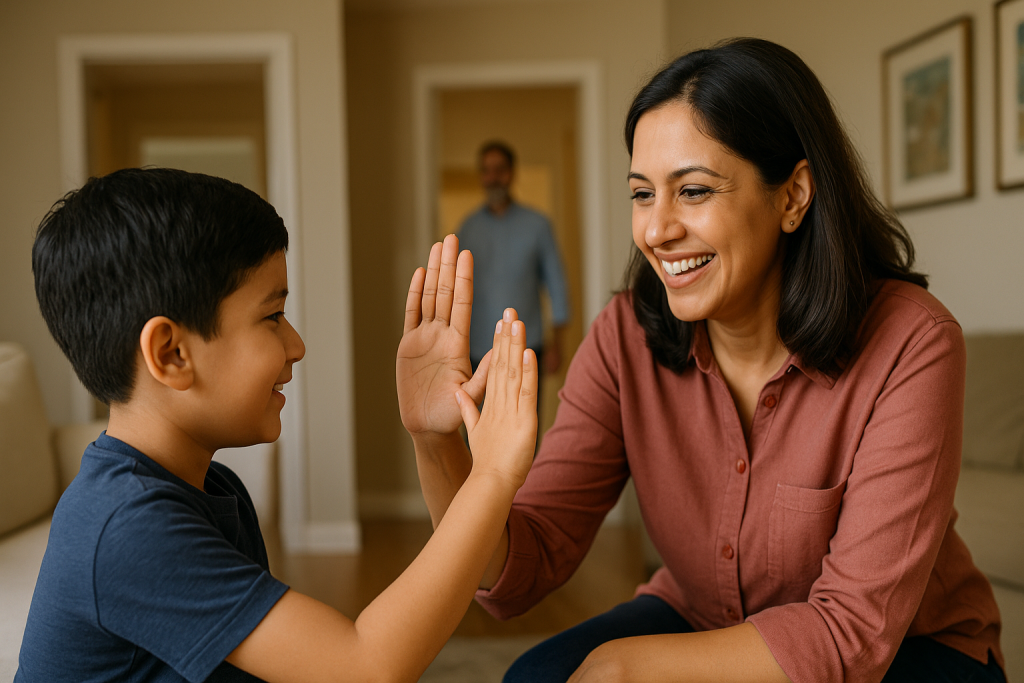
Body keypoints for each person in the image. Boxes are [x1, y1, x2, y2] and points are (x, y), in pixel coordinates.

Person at [395, 39, 1006, 683]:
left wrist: (624, 666)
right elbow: (518, 570)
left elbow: (851, 636)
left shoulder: (914, 341)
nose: (656, 230)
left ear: (793, 196)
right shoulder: (624, 337)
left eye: (692, 191)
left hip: (908, 646)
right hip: (704, 614)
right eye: (641, 195)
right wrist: (437, 442)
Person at [18, 168, 538, 683]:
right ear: (171, 353)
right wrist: (491, 475)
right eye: (272, 317)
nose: (297, 346)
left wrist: (432, 437)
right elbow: (365, 668)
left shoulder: (213, 489)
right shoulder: (126, 528)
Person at [457, 140, 571, 377]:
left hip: (527, 348)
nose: (493, 177)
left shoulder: (538, 225)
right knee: (479, 415)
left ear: (511, 173)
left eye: (500, 170)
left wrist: (557, 344)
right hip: (477, 349)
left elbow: (557, 286)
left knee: (527, 414)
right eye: (486, 171)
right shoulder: (467, 229)